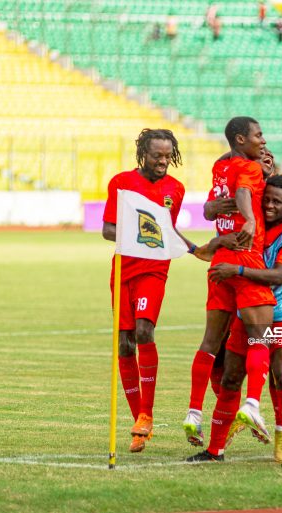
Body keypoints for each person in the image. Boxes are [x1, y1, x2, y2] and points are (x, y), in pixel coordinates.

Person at [188, 175, 282, 469]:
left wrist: (236, 270)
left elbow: (279, 275)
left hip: (281, 317)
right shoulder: (253, 224)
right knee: (230, 379)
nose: (268, 206)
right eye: (266, 199)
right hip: (248, 313)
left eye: (276, 202)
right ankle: (215, 450)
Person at [183, 117, 277, 452]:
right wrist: (250, 218)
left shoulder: (220, 167)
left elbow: (210, 207)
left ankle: (193, 413)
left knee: (210, 341)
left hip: (220, 256)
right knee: (261, 337)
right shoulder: (248, 168)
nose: (262, 141)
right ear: (241, 139)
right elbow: (242, 192)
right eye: (258, 135)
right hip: (245, 255)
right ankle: (252, 404)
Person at [101, 129, 198, 453]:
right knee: (125, 344)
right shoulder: (121, 183)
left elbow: (167, 229)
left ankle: (147, 413)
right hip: (124, 269)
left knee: (145, 332)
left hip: (154, 270)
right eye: (157, 155)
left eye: (168, 155)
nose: (163, 161)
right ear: (143, 153)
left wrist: (194, 247)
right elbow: (107, 229)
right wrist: (139, 232)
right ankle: (139, 425)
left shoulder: (175, 189)